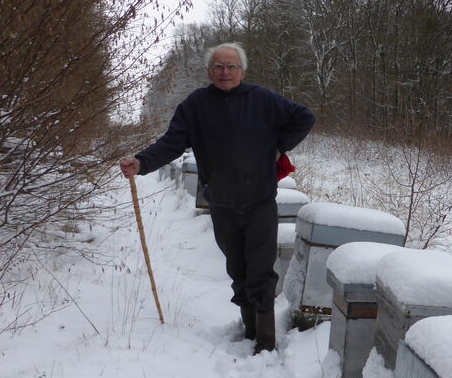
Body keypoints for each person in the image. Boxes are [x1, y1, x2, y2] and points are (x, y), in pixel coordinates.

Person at [120, 42, 315, 353]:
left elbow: (304, 117)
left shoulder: (262, 99)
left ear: (242, 71)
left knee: (261, 270)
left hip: (260, 199)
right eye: (219, 67)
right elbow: (172, 143)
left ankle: (265, 343)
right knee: (237, 269)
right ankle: (250, 330)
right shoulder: (195, 105)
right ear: (209, 71)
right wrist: (142, 162)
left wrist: (279, 147)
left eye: (231, 66)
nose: (225, 72)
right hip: (221, 202)